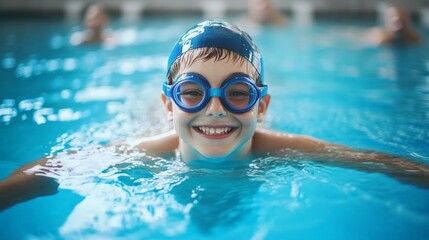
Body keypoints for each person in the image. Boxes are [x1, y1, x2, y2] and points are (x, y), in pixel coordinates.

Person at [1, 20, 429, 211]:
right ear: (170, 104)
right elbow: (45, 171)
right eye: (192, 92)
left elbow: (384, 164)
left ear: (262, 107)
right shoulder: (143, 153)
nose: (216, 107)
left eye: (238, 93)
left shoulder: (285, 148)